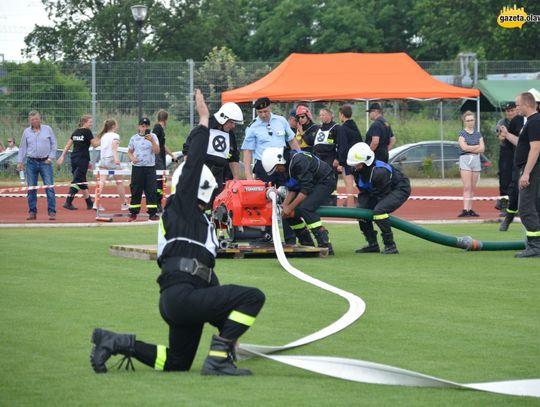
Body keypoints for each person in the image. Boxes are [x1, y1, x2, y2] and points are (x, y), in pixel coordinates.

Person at [90, 90, 265, 376]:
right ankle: (217, 360)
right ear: (202, 190)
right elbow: (195, 162)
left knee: (177, 362)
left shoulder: (195, 223)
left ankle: (116, 342)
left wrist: (229, 334)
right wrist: (204, 120)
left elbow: (212, 284)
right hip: (184, 295)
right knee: (253, 297)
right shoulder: (181, 206)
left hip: (179, 299)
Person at [241, 97, 301, 244]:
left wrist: (300, 159)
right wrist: (249, 176)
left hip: (282, 166)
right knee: (264, 202)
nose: (263, 115)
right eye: (260, 112)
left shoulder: (281, 121)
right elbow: (248, 151)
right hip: (263, 168)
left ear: (270, 108)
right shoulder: (253, 127)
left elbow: (292, 140)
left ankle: (290, 238)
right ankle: (266, 237)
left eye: (265, 111)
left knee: (287, 199)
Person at [261, 146, 335, 254]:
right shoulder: (287, 165)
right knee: (287, 213)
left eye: (276, 168)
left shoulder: (299, 161)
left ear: (280, 160)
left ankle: (325, 244)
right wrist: (284, 206)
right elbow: (293, 188)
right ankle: (306, 243)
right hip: (311, 183)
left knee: (306, 208)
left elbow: (306, 189)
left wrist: (290, 207)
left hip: (326, 181)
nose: (277, 171)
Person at [347, 142, 411, 255]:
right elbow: (364, 190)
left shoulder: (379, 172)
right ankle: (372, 244)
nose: (354, 166)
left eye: (357, 164)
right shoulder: (358, 170)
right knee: (360, 212)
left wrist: (371, 210)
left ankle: (390, 245)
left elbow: (382, 195)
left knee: (379, 211)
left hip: (398, 189)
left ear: (366, 162)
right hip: (375, 191)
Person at [183, 102, 243, 200]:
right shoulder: (205, 127)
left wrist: (236, 179)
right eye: (231, 122)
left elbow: (233, 157)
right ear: (223, 118)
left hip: (219, 175)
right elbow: (188, 149)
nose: (233, 126)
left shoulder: (229, 134)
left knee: (217, 203)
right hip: (201, 172)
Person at [512, 92, 540, 257]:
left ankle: (535, 246)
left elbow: (535, 148)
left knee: (526, 207)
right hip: (532, 169)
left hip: (532, 169)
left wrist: (526, 173)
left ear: (527, 105)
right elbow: (524, 144)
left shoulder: (535, 122)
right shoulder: (531, 122)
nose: (516, 108)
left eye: (517, 105)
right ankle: (535, 245)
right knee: (535, 206)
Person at [16, 111, 57, 221]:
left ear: (40, 119)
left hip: (45, 162)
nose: (34, 121)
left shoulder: (48, 129)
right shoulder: (26, 132)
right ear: (30, 121)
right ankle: (32, 212)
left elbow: (54, 144)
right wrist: (20, 161)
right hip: (31, 163)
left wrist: (51, 157)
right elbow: (22, 147)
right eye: (32, 119)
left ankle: (52, 212)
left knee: (49, 187)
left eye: (36, 119)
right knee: (31, 189)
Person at [57, 115, 100, 210]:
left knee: (81, 180)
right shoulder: (87, 132)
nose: (91, 124)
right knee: (77, 180)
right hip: (82, 159)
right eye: (90, 122)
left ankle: (89, 202)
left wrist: (62, 156)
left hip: (74, 158)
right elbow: (95, 145)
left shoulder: (76, 131)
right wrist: (104, 139)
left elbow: (68, 145)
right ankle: (68, 202)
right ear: (84, 122)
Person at [497, 105, 525, 231]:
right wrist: (504, 136)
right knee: (514, 190)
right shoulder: (516, 121)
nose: (516, 109)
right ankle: (509, 216)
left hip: (535, 161)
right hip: (518, 161)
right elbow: (508, 142)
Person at [127, 117, 160, 221]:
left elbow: (157, 151)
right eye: (142, 126)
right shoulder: (134, 138)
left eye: (146, 126)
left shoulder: (153, 136)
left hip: (150, 167)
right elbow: (129, 151)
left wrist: (152, 141)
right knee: (136, 189)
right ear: (139, 127)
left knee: (151, 190)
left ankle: (152, 213)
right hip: (137, 168)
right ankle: (133, 213)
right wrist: (132, 158)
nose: (144, 128)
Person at [95, 119, 129, 211]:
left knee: (101, 181)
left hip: (103, 160)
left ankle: (96, 203)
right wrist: (116, 159)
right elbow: (114, 148)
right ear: (113, 126)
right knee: (119, 182)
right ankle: (124, 203)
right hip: (111, 159)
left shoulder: (103, 136)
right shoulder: (115, 135)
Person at [457, 111, 485, 217]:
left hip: (476, 160)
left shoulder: (478, 134)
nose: (470, 122)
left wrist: (470, 147)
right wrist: (475, 147)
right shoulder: (462, 134)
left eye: (472, 120)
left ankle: (470, 209)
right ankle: (465, 209)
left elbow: (482, 148)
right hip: (465, 159)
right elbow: (464, 148)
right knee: (467, 186)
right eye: (468, 120)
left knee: (473, 187)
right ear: (464, 121)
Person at [494, 102, 518, 215]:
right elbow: (501, 136)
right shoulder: (502, 122)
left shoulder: (521, 120)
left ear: (516, 110)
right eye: (508, 111)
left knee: (517, 179)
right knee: (504, 178)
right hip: (506, 152)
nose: (510, 113)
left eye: (512, 110)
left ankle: (515, 205)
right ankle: (503, 204)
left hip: (519, 152)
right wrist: (504, 135)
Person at [337, 104, 362, 208]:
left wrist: (341, 162)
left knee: (348, 185)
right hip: (358, 160)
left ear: (342, 115)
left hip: (348, 161)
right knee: (359, 184)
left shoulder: (343, 128)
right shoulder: (355, 127)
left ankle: (350, 207)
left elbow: (342, 147)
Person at [153, 110, 177, 213]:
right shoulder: (157, 128)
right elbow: (152, 140)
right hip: (158, 159)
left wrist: (172, 155)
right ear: (165, 119)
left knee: (162, 180)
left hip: (161, 158)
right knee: (159, 181)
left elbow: (162, 145)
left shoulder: (161, 130)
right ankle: (156, 203)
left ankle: (158, 203)